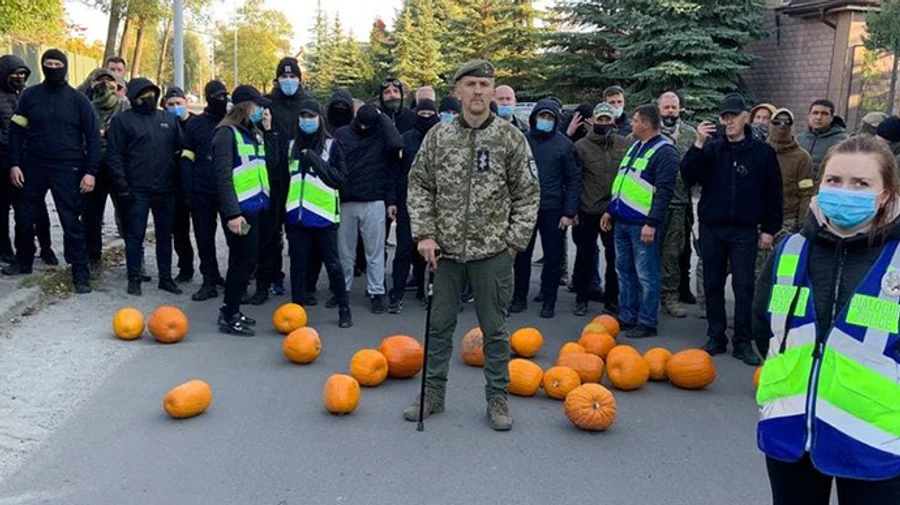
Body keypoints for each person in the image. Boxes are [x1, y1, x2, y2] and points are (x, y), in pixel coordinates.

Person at [754, 135, 900, 504]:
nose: (844, 191)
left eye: (861, 183)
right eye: (834, 181)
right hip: (790, 434)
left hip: (874, 442)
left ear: (885, 194)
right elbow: (762, 327)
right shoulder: (791, 249)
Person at [405, 59, 539, 431]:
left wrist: (513, 243)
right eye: (471, 84)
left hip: (492, 253)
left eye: (485, 84)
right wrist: (425, 234)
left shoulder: (509, 137)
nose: (478, 91)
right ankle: (432, 393)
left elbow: (528, 194)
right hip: (445, 253)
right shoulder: (439, 137)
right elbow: (419, 185)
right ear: (458, 91)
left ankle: (497, 398)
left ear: (493, 90)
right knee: (439, 327)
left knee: (495, 331)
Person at [681, 93, 782, 365]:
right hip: (713, 227)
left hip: (745, 230)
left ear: (745, 117)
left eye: (733, 116)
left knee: (744, 285)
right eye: (724, 117)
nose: (729, 122)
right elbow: (689, 176)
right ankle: (716, 335)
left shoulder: (762, 153)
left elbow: (773, 194)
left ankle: (743, 341)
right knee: (712, 283)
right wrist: (698, 145)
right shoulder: (712, 149)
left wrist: (769, 230)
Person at [2, 49, 99, 292]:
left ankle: (80, 273)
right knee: (24, 217)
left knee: (70, 221)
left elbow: (93, 138)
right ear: (43, 66)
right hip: (33, 166)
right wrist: (15, 163)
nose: (53, 67)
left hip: (69, 167)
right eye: (48, 63)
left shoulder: (79, 101)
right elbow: (16, 131)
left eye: (57, 63)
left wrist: (90, 172)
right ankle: (24, 261)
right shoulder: (30, 97)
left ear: (65, 66)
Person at [601, 105, 679, 338]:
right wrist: (610, 210)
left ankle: (647, 321)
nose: (631, 124)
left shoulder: (665, 151)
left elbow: (664, 192)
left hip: (642, 224)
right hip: (622, 220)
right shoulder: (636, 146)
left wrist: (652, 223)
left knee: (646, 274)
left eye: (635, 121)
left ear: (646, 124)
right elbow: (623, 181)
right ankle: (628, 316)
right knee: (624, 271)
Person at [279, 98, 352, 327]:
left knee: (332, 265)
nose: (306, 121)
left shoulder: (332, 145)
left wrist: (314, 159)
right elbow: (283, 181)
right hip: (297, 217)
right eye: (302, 116)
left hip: (324, 217)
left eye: (311, 116)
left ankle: (344, 308)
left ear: (320, 118)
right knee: (297, 266)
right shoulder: (291, 145)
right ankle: (296, 313)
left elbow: (339, 179)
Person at [106, 77, 183, 296]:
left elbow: (180, 152)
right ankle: (134, 279)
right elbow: (114, 156)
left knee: (165, 235)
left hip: (166, 189)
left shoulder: (167, 119)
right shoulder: (123, 121)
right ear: (133, 97)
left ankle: (165, 278)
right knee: (134, 236)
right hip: (136, 189)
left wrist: (178, 182)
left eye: (152, 93)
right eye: (143, 94)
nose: (148, 98)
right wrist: (122, 185)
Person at [510, 99, 580, 318]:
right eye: (542, 117)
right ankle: (519, 297)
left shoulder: (564, 145)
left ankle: (549, 299)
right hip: (526, 207)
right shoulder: (523, 141)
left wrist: (569, 212)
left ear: (555, 120)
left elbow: (574, 179)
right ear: (534, 118)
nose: (545, 121)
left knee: (553, 257)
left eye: (550, 118)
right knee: (522, 255)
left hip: (554, 208)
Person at [212, 85, 274, 336]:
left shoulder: (253, 133)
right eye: (258, 105)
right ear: (244, 106)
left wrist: (268, 132)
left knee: (247, 261)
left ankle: (232, 309)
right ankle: (229, 314)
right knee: (242, 261)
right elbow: (223, 178)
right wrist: (232, 214)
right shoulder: (226, 134)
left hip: (255, 208)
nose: (262, 110)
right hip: (240, 211)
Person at [246, 57, 307, 305]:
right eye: (284, 77)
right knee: (269, 234)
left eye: (293, 77)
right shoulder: (267, 104)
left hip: (300, 180)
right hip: (272, 178)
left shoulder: (309, 105)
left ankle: (303, 287)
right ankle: (266, 280)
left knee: (298, 234)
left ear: (300, 80)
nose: (289, 81)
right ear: (277, 79)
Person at [333, 104, 404, 313]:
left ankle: (376, 291)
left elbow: (397, 144)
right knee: (345, 252)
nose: (364, 127)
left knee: (375, 252)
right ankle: (342, 291)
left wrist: (382, 119)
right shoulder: (342, 134)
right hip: (346, 200)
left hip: (374, 200)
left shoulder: (384, 135)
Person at [572, 102, 629, 316]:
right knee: (584, 257)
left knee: (615, 258)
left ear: (613, 121)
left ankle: (611, 300)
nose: (604, 123)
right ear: (593, 121)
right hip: (587, 209)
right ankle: (581, 298)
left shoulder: (623, 144)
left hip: (614, 211)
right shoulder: (580, 147)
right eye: (600, 119)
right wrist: (573, 210)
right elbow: (575, 181)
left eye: (607, 119)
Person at [0, 55, 56, 266]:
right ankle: (5, 248)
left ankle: (46, 247)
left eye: (23, 73)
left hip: (30, 161)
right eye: (15, 73)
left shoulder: (28, 95)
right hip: (4, 161)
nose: (19, 77)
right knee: (3, 209)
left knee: (37, 208)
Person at [388, 98, 440, 314]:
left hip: (435, 204)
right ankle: (396, 293)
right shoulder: (405, 139)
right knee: (404, 250)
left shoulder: (442, 140)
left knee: (429, 253)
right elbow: (394, 172)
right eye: (422, 114)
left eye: (430, 114)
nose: (426, 118)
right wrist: (392, 200)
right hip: (407, 201)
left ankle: (425, 291)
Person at [181, 80, 229, 301]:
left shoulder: (233, 122)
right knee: (204, 238)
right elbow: (187, 157)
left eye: (224, 96)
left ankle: (236, 279)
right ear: (208, 98)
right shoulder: (196, 124)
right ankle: (209, 280)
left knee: (235, 238)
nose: (222, 100)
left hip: (228, 190)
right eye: (217, 96)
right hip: (202, 189)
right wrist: (188, 188)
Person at [82, 68, 130, 277]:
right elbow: (83, 135)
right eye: (99, 82)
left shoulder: (125, 107)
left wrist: (105, 133)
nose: (105, 86)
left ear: (118, 85)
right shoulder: (87, 107)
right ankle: (93, 259)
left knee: (127, 216)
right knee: (92, 217)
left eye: (109, 82)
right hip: (94, 167)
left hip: (120, 168)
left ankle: (135, 260)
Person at [755, 107, 814, 276]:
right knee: (758, 273)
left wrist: (801, 223)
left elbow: (806, 193)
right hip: (759, 222)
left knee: (786, 272)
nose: (782, 126)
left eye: (786, 122)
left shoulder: (802, 158)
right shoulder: (759, 151)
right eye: (777, 122)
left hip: (788, 222)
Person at [658, 91, 698, 319]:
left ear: (680, 108)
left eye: (674, 107)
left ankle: (671, 297)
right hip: (653, 203)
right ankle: (652, 294)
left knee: (674, 253)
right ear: (659, 108)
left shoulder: (690, 135)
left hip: (680, 203)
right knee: (650, 252)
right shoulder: (650, 133)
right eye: (666, 107)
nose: (670, 111)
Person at [162, 86, 195, 284]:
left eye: (178, 104)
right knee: (179, 231)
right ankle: (185, 268)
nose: (175, 108)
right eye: (170, 105)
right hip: (173, 185)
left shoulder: (196, 124)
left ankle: (212, 272)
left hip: (195, 184)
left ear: (186, 103)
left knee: (203, 231)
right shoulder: (163, 124)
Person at [798, 99, 848, 176]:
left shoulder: (843, 141)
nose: (818, 117)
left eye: (824, 114)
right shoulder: (799, 139)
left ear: (832, 118)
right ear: (809, 116)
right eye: (815, 113)